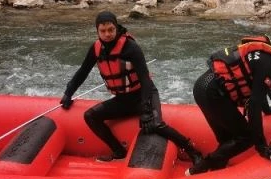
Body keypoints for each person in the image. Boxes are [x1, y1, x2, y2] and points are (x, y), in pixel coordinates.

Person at [60, 11, 203, 163]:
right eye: (103, 31)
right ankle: (119, 152)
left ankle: (193, 151)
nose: (107, 34)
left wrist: (146, 109)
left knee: (155, 125)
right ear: (97, 31)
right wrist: (68, 93)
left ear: (116, 28)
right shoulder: (96, 49)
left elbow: (145, 80)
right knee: (90, 116)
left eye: (111, 30)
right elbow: (82, 72)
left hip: (144, 94)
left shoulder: (130, 47)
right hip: (123, 100)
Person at [187, 35, 271, 175]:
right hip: (212, 93)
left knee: (227, 140)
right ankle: (199, 169)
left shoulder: (268, 58)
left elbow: (256, 87)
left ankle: (215, 174)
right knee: (246, 137)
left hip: (204, 87)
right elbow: (254, 105)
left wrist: (267, 110)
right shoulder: (269, 67)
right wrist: (261, 145)